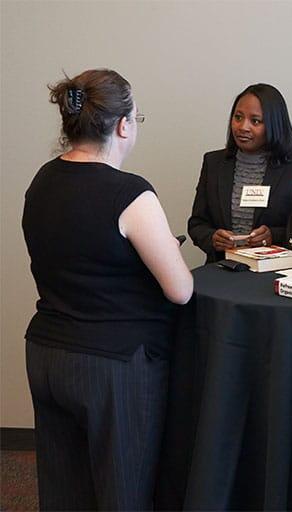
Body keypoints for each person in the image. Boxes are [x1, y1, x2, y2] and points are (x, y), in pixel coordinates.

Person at [22, 69, 193, 510]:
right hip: (114, 365)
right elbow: (180, 291)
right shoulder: (130, 193)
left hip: (46, 354)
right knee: (124, 494)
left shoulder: (41, 181)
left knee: (64, 493)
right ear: (122, 126)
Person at [188, 83, 292, 262]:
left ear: (274, 125)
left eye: (255, 121)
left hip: (275, 270)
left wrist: (272, 236)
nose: (243, 127)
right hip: (223, 267)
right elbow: (197, 224)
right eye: (238, 117)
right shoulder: (213, 163)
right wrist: (213, 237)